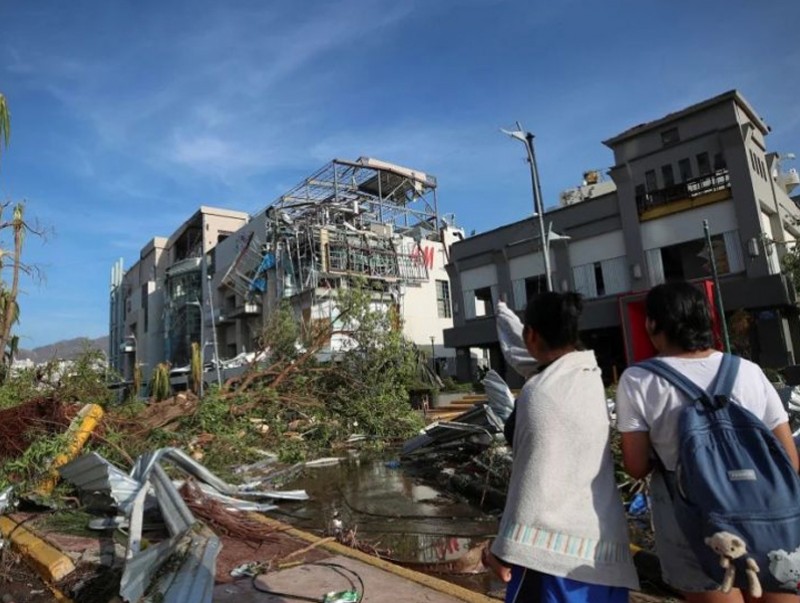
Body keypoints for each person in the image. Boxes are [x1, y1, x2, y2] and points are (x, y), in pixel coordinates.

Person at [616, 281, 800, 603]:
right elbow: (789, 459)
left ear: (652, 323)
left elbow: (635, 466)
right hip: (767, 514)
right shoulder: (749, 371)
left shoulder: (639, 380)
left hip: (694, 522)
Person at [484, 292, 639, 602]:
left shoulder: (538, 392)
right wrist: (504, 312)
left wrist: (503, 550)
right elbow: (524, 353)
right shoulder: (588, 377)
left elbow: (531, 480)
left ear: (532, 334)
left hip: (550, 560)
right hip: (601, 548)